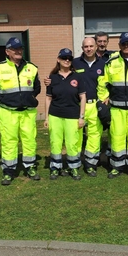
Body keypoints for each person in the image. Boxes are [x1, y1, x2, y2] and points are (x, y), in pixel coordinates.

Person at [0, 37, 41, 185]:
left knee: (29, 140)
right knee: (9, 141)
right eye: (14, 49)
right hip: (8, 112)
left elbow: (36, 88)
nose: (18, 51)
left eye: (20, 49)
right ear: (7, 52)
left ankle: (30, 167)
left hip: (28, 112)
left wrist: (28, 98)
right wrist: (0, 100)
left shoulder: (32, 68)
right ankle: (8, 170)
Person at [97, 32, 128, 180]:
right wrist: (104, 98)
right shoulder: (111, 62)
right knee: (117, 136)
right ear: (119, 45)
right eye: (123, 44)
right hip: (117, 107)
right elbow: (102, 83)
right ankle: (116, 167)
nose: (126, 46)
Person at [44, 48, 86, 180]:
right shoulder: (52, 78)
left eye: (69, 58)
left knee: (72, 143)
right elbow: (48, 98)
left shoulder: (77, 77)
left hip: (72, 115)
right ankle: (55, 168)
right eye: (64, 58)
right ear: (58, 60)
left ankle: (73, 168)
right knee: (55, 142)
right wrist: (46, 117)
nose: (67, 60)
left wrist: (81, 117)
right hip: (55, 115)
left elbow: (83, 97)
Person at [73, 37, 106, 177]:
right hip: (78, 105)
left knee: (94, 135)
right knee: (76, 135)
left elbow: (108, 83)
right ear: (82, 48)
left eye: (91, 46)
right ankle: (74, 163)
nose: (89, 49)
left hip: (95, 104)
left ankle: (91, 163)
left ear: (96, 47)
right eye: (86, 46)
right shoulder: (74, 63)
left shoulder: (103, 64)